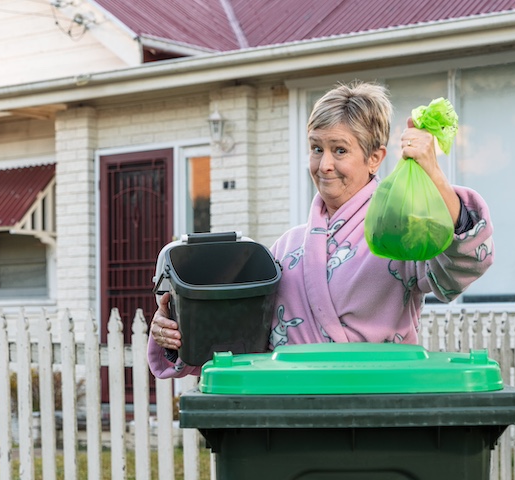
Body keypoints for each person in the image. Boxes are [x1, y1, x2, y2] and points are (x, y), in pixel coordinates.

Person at [148, 81, 493, 378]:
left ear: (375, 158)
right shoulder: (286, 248)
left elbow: (462, 266)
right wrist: (178, 334)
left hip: (380, 402)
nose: (324, 164)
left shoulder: (398, 233)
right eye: (316, 148)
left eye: (339, 150)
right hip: (294, 408)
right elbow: (245, 340)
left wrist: (432, 173)